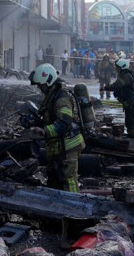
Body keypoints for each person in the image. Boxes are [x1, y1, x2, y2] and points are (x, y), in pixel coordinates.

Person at [28, 63, 85, 192]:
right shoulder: (52, 96)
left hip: (68, 145)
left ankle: (74, 207)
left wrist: (44, 131)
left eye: (40, 85)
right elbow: (50, 118)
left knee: (68, 179)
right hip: (59, 146)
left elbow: (64, 123)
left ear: (48, 82)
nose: (39, 88)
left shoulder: (62, 98)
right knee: (54, 179)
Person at [105, 58, 134, 147]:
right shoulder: (123, 75)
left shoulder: (126, 76)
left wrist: (106, 87)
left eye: (117, 67)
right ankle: (131, 134)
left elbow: (117, 85)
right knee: (129, 119)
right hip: (127, 102)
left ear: (122, 67)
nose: (116, 69)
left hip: (133, 101)